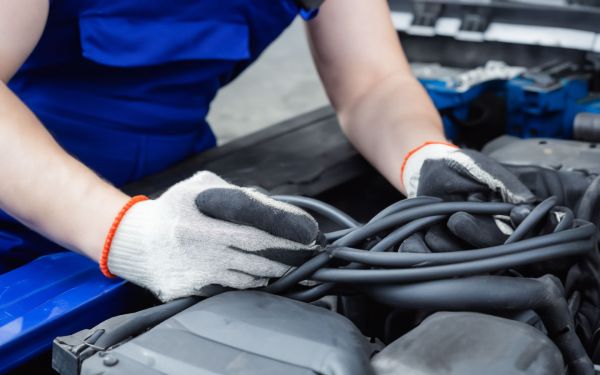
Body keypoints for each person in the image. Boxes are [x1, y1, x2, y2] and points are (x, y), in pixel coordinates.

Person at [0, 0, 534, 301]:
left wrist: (421, 157)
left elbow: (372, 82)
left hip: (176, 183)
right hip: (20, 207)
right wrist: (127, 233)